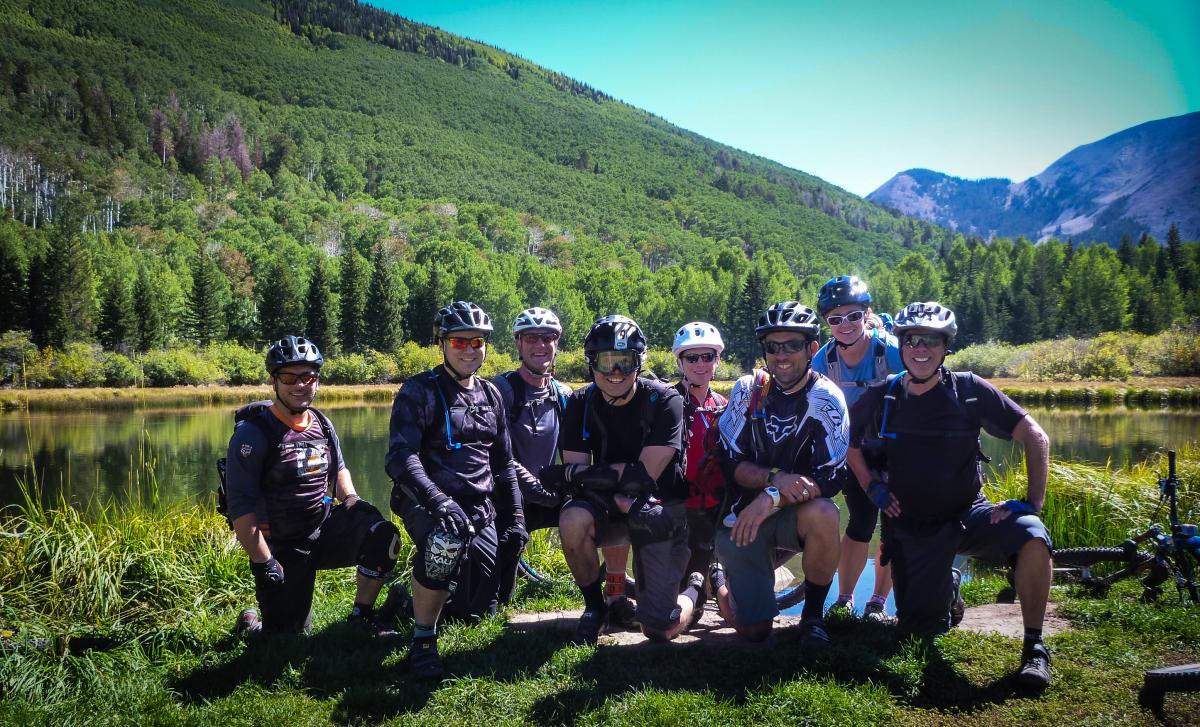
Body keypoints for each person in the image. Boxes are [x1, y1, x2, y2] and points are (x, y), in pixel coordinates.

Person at [847, 301, 1053, 688]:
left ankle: (1035, 648)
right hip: (912, 525)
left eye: (931, 341)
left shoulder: (970, 391)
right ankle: (949, 587)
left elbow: (1035, 437)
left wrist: (1032, 504)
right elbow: (850, 445)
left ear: (945, 347)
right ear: (901, 345)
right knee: (919, 631)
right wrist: (872, 486)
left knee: (1031, 535)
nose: (920, 349)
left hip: (969, 514)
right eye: (912, 341)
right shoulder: (883, 395)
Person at [540, 314, 703, 644]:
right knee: (572, 516)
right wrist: (612, 492)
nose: (615, 373)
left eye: (624, 362)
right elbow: (578, 487)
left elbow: (641, 477)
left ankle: (696, 586)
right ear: (592, 363)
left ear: (638, 362)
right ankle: (595, 608)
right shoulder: (579, 403)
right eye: (606, 362)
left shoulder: (666, 401)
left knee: (659, 627)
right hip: (614, 507)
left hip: (659, 513)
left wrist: (580, 475)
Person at [385, 301, 526, 679]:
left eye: (476, 343)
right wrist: (438, 500)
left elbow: (503, 465)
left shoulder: (493, 394)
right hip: (427, 500)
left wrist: (515, 519)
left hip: (478, 506)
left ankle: (406, 598)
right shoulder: (420, 391)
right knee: (444, 545)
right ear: (442, 344)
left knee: (477, 611)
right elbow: (400, 458)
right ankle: (422, 641)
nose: (469, 350)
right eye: (459, 343)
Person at [225, 335, 400, 636]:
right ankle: (250, 623)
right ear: (274, 381)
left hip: (322, 529)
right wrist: (263, 561)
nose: (300, 384)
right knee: (286, 638)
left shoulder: (322, 423)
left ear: (317, 380)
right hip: (282, 545)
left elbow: (339, 471)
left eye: (308, 376)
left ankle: (362, 616)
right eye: (289, 376)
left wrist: (352, 500)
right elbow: (240, 504)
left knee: (382, 534)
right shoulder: (253, 435)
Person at [713, 302, 845, 646]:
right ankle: (719, 582)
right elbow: (728, 462)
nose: (781, 355)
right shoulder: (747, 390)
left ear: (812, 348)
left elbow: (832, 477)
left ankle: (812, 618)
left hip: (792, 513)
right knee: (753, 632)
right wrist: (774, 480)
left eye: (792, 345)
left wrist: (771, 498)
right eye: (773, 347)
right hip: (741, 517)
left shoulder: (827, 399)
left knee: (826, 513)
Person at [811, 275, 904, 621]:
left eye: (853, 316)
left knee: (894, 526)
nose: (845, 325)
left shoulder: (892, 352)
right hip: (853, 450)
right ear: (827, 324)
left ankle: (878, 602)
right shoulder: (823, 363)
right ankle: (844, 600)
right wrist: (867, 481)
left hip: (899, 451)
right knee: (860, 522)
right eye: (835, 319)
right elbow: (833, 429)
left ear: (867, 314)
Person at [490, 307, 573, 605]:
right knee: (496, 593)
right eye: (531, 338)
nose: (540, 345)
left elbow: (573, 452)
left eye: (548, 337)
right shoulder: (501, 391)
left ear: (557, 342)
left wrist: (573, 485)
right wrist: (535, 487)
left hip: (546, 494)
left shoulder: (562, 394)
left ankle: (603, 585)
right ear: (518, 344)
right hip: (505, 495)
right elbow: (495, 453)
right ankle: (499, 597)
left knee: (595, 512)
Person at [671, 321, 729, 623]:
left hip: (713, 508)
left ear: (717, 360)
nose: (700, 364)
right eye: (691, 358)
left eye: (707, 356)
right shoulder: (669, 402)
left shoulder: (723, 405)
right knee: (683, 611)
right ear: (680, 362)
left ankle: (717, 575)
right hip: (678, 509)